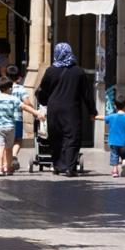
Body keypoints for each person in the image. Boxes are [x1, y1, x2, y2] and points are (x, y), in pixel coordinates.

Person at [36, 42, 95, 177]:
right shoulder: (78, 72)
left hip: (54, 109)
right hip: (72, 110)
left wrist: (43, 103)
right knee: (72, 137)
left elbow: (43, 91)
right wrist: (92, 111)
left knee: (56, 136)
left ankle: (57, 165)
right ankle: (70, 167)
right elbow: (86, 94)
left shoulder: (51, 70)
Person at [0, 77, 46, 176]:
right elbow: (25, 107)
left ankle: (0, 169)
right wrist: (37, 113)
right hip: (10, 127)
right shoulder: (13, 99)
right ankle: (8, 168)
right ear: (9, 88)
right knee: (9, 148)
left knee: (0, 147)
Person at [95, 95, 125, 177]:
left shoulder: (112, 116)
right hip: (124, 142)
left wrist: (95, 117)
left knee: (114, 156)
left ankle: (115, 171)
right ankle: (124, 162)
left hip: (113, 141)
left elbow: (103, 118)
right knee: (124, 155)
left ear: (115, 106)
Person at [6, 65, 32, 169]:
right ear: (18, 78)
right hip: (17, 119)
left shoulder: (3, 88)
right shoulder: (21, 89)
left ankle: (7, 163)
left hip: (6, 119)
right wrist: (31, 108)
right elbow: (26, 102)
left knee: (7, 142)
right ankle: (14, 155)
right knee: (18, 140)